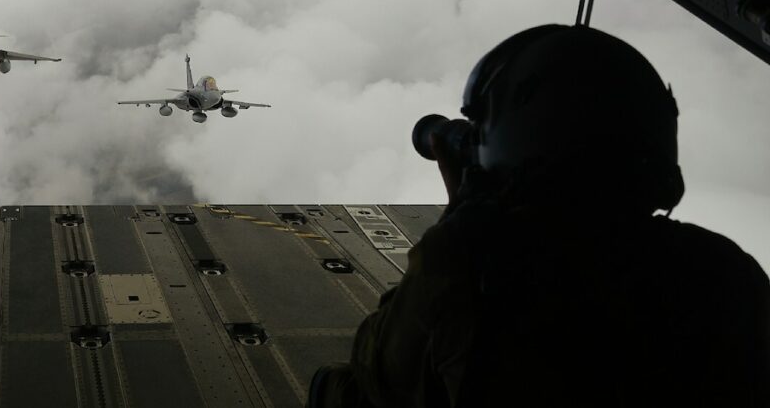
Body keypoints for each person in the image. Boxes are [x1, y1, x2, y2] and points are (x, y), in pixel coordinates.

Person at [307, 25, 770, 407]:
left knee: (336, 391)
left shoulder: (470, 263)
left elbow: (379, 372)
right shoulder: (724, 266)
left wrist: (460, 216)